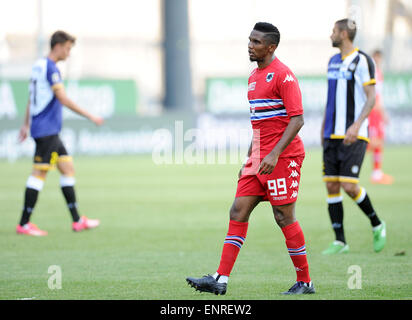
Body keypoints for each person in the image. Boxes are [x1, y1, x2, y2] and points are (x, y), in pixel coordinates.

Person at [186, 22, 314, 295]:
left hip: (283, 156)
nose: (250, 45)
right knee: (237, 210)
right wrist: (249, 158)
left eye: (256, 42)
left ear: (271, 47)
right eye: (250, 40)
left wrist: (274, 153)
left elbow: (298, 119)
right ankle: (220, 279)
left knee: (283, 216)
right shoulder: (253, 78)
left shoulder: (284, 76)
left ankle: (305, 282)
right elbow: (259, 124)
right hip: (259, 158)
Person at [16, 30, 103, 236]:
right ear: (58, 46)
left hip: (45, 128)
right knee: (39, 173)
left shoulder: (38, 65)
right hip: (47, 130)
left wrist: (25, 123)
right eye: (68, 48)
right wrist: (90, 116)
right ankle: (24, 223)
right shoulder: (51, 68)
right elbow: (62, 99)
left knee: (67, 168)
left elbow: (32, 97)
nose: (69, 53)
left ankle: (77, 220)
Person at [321, 19, 386, 255]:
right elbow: (331, 99)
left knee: (349, 186)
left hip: (353, 134)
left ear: (345, 34)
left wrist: (357, 125)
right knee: (331, 184)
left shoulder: (363, 60)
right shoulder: (332, 61)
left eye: (334, 31)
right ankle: (340, 241)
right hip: (331, 134)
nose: (331, 35)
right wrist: (323, 129)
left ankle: (377, 224)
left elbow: (371, 97)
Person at [368, 50, 393, 184]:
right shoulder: (373, 73)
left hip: (376, 111)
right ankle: (350, 156)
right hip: (373, 112)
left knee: (378, 141)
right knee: (374, 141)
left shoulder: (379, 73)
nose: (377, 60)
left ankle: (377, 173)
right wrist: (382, 112)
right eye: (376, 57)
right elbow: (374, 96)